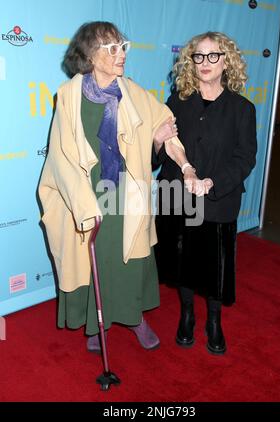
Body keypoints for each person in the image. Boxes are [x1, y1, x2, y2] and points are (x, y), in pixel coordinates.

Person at [38, 21, 206, 354]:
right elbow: (60, 158)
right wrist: (84, 205)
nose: (121, 54)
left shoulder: (133, 92)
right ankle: (95, 323)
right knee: (94, 260)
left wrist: (186, 167)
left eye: (122, 46)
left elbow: (167, 131)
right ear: (90, 54)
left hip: (127, 194)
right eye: (111, 48)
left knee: (128, 259)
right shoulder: (69, 96)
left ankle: (133, 318)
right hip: (85, 194)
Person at [154, 32, 257, 355]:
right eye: (199, 56)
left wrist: (212, 182)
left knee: (215, 266)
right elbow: (159, 154)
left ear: (227, 61)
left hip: (218, 200)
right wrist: (157, 140)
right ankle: (187, 315)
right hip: (177, 195)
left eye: (214, 56)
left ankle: (214, 320)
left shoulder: (242, 108)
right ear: (191, 61)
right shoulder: (176, 101)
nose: (205, 63)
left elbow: (245, 158)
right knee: (183, 260)